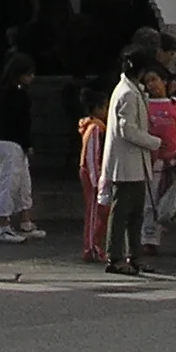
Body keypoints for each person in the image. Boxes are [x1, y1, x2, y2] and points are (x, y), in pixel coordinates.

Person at [101, 49, 160, 277]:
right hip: (126, 163)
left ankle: (134, 256)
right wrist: (154, 142)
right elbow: (128, 130)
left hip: (134, 163)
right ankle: (115, 256)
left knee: (135, 214)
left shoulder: (132, 90)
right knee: (122, 213)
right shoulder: (127, 93)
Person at [0, 52, 44, 242]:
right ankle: (3, 225)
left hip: (10, 141)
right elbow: (20, 122)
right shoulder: (15, 94)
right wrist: (28, 143)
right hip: (11, 142)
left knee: (22, 183)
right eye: (28, 74)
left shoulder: (9, 92)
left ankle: (24, 220)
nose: (32, 77)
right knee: (9, 183)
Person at [143, 66, 176, 257]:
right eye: (148, 81)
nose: (151, 84)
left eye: (154, 79)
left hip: (175, 162)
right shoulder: (144, 106)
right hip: (153, 164)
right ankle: (150, 239)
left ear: (165, 81)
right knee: (150, 202)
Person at [75, 88, 110, 263]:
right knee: (94, 212)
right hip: (92, 174)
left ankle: (95, 246)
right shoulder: (95, 128)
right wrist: (97, 181)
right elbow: (91, 155)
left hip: (91, 173)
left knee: (98, 212)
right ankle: (91, 247)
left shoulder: (93, 127)